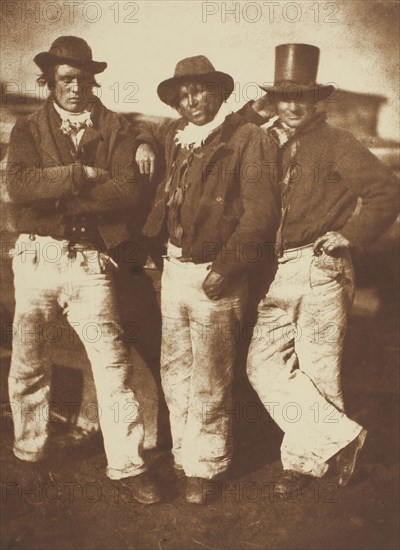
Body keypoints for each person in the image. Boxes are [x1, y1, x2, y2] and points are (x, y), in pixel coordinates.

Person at [5, 36, 160, 504]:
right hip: (37, 256)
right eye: (65, 79)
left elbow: (128, 191)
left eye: (83, 79)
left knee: (112, 365)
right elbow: (19, 186)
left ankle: (128, 464)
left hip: (91, 259)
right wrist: (80, 175)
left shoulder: (114, 127)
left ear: (94, 81)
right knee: (29, 360)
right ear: (50, 82)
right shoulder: (28, 128)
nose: (75, 87)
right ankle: (28, 449)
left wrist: (63, 190)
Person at [240, 43, 399, 494]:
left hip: (322, 267)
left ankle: (302, 465)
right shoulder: (267, 140)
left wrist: (351, 234)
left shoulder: (337, 143)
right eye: (282, 96)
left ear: (315, 101)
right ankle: (343, 439)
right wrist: (250, 116)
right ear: (271, 100)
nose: (291, 105)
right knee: (263, 365)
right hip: (279, 270)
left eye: (301, 97)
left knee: (318, 369)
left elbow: (386, 191)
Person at [135, 55, 279, 503]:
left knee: (212, 376)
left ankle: (208, 468)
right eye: (183, 93)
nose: (192, 100)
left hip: (217, 274)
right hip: (174, 269)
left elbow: (261, 213)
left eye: (201, 90)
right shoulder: (174, 136)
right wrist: (141, 142)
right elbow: (140, 129)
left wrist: (227, 266)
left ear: (218, 93)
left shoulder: (249, 138)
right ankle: (184, 455)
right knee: (175, 371)